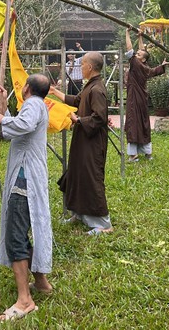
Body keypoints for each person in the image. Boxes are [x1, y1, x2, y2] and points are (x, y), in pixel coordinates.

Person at [0, 74, 53, 322]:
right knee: (30, 229)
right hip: (28, 177)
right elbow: (15, 129)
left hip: (23, 180)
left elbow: (21, 125)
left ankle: (25, 301)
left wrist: (1, 118)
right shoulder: (37, 106)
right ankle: (41, 282)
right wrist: (3, 108)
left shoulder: (33, 105)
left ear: (27, 88)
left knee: (16, 236)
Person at [49, 52, 112, 235]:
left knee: (91, 177)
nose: (80, 67)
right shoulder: (89, 87)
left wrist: (78, 121)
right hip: (83, 139)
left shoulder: (97, 89)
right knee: (78, 174)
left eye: (82, 64)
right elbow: (76, 101)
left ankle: (104, 224)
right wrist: (55, 92)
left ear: (90, 67)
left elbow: (100, 118)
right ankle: (79, 213)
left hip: (92, 142)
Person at [124, 29, 168, 161]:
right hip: (142, 99)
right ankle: (147, 153)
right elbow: (142, 51)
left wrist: (127, 33)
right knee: (143, 123)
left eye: (138, 55)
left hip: (134, 99)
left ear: (141, 59)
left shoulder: (136, 63)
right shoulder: (145, 66)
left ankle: (133, 155)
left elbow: (130, 49)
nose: (136, 54)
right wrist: (140, 37)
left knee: (132, 123)